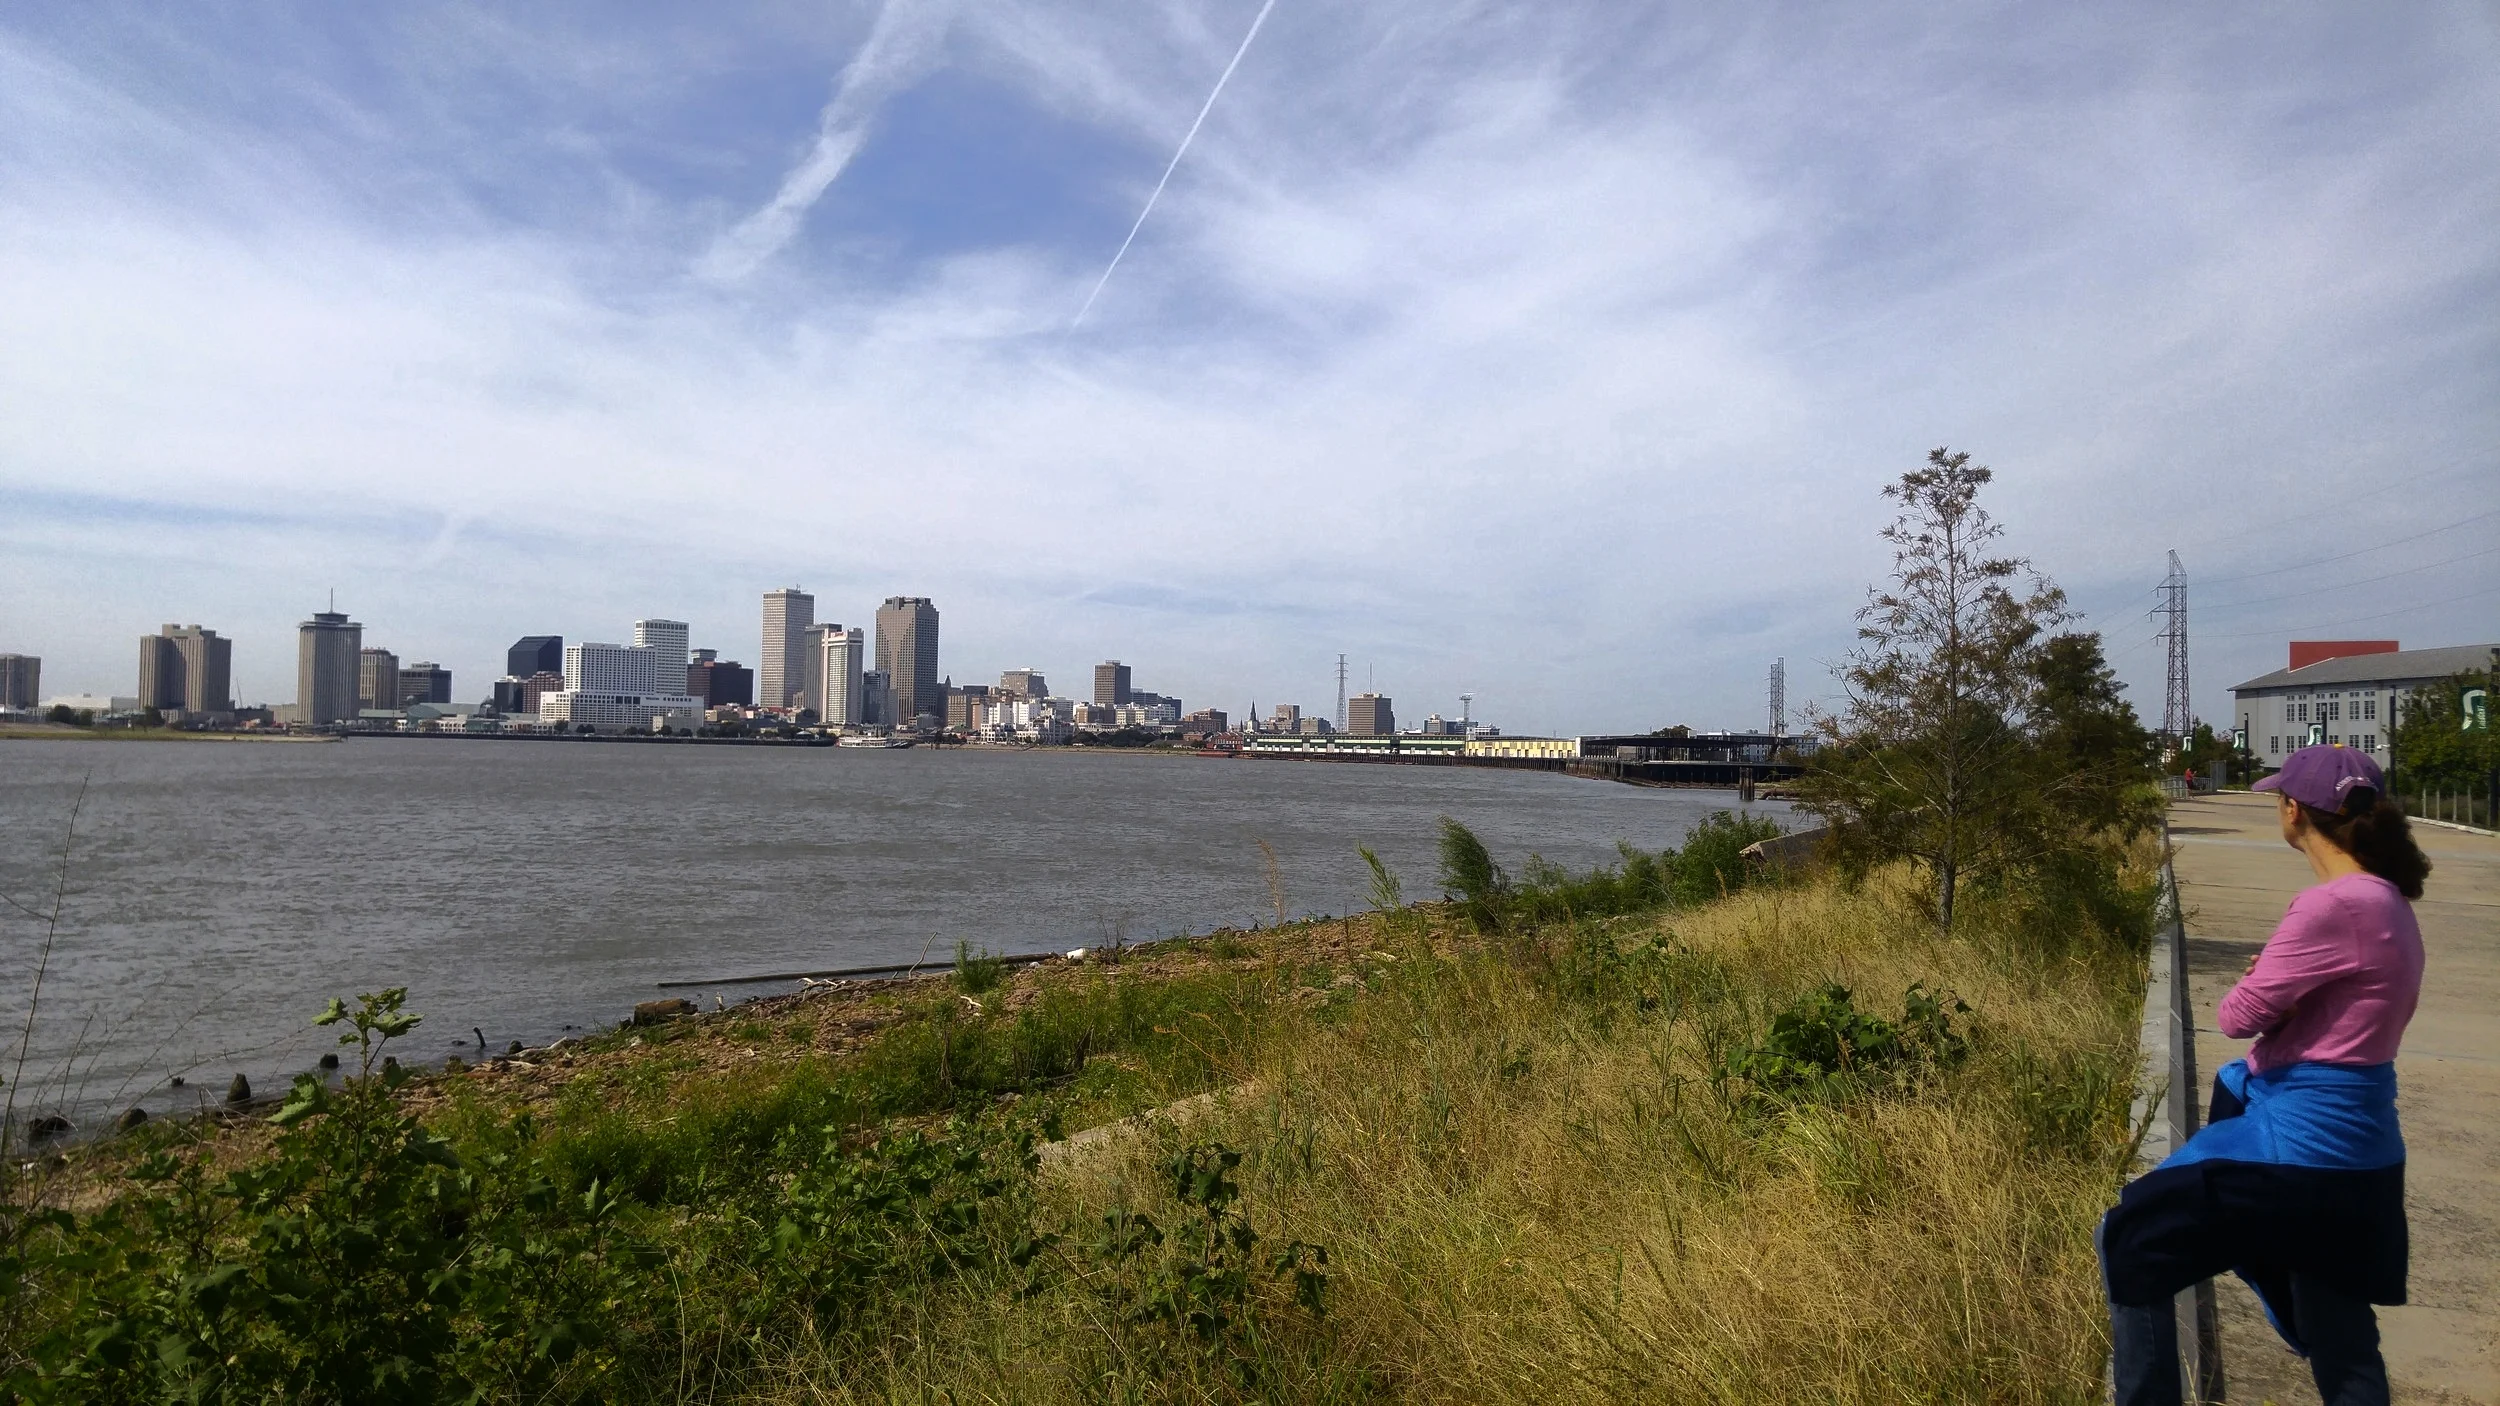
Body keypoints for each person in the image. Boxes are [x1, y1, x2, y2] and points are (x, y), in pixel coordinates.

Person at [2100, 744, 2431, 1406]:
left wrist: (2261, 977)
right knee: (2341, 1337)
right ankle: (2270, 1261)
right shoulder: (2390, 903)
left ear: (2293, 811)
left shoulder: (2329, 906)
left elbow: (2235, 1015)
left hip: (2299, 1151)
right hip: (2365, 1157)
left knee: (2129, 1237)